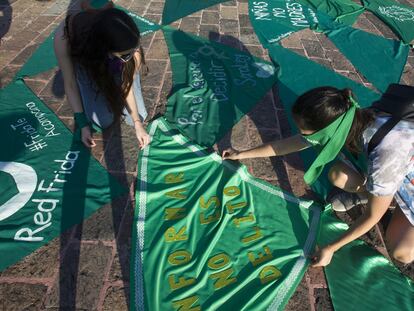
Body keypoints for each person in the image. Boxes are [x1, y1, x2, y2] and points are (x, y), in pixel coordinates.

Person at [222, 86, 414, 266]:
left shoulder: (386, 153)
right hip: (393, 168)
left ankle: (381, 196)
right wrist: (241, 154)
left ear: (328, 131)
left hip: (403, 174)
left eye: (307, 133)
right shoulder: (350, 118)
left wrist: (331, 248)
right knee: (339, 175)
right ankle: (373, 194)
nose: (303, 136)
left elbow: (372, 216)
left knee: (402, 252)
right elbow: (288, 145)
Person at [54, 1, 150, 148]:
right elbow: (70, 84)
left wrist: (137, 123)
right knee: (102, 121)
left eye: (134, 50)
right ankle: (96, 82)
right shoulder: (65, 35)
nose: (132, 56)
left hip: (109, 57)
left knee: (139, 116)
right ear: (105, 48)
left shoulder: (127, 39)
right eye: (125, 56)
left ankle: (112, 81)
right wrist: (83, 125)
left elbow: (127, 82)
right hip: (89, 63)